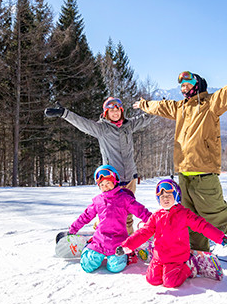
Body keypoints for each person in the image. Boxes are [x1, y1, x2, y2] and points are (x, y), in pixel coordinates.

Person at [133, 62, 227, 263]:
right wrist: (143, 104)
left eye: (187, 84)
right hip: (184, 173)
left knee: (216, 213)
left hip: (204, 171)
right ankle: (198, 251)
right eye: (182, 85)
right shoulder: (180, 107)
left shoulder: (210, 104)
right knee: (190, 217)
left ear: (197, 84)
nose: (183, 88)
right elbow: (160, 106)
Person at [45, 97, 152, 233]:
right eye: (112, 110)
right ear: (106, 113)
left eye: (118, 110)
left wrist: (158, 106)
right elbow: (82, 123)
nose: (115, 113)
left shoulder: (128, 126)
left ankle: (128, 240)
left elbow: (146, 118)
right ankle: (100, 234)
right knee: (108, 211)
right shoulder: (101, 128)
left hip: (130, 177)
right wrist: (64, 113)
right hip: (112, 180)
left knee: (128, 212)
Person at [117, 179, 227, 288]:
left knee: (170, 282)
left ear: (176, 196)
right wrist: (126, 246)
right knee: (152, 279)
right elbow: (143, 233)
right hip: (159, 257)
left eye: (168, 196)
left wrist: (219, 237)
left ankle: (189, 265)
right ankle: (165, 267)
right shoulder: (156, 216)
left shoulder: (184, 214)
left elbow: (202, 225)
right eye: (162, 197)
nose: (165, 199)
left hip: (177, 257)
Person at [68, 165, 152, 273]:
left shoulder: (125, 199)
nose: (105, 186)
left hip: (117, 243)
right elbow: (85, 216)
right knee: (87, 265)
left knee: (115, 268)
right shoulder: (98, 201)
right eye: (102, 185)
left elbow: (141, 211)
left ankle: (126, 255)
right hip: (99, 241)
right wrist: (73, 228)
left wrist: (155, 223)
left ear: (115, 181)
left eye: (108, 183)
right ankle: (89, 246)